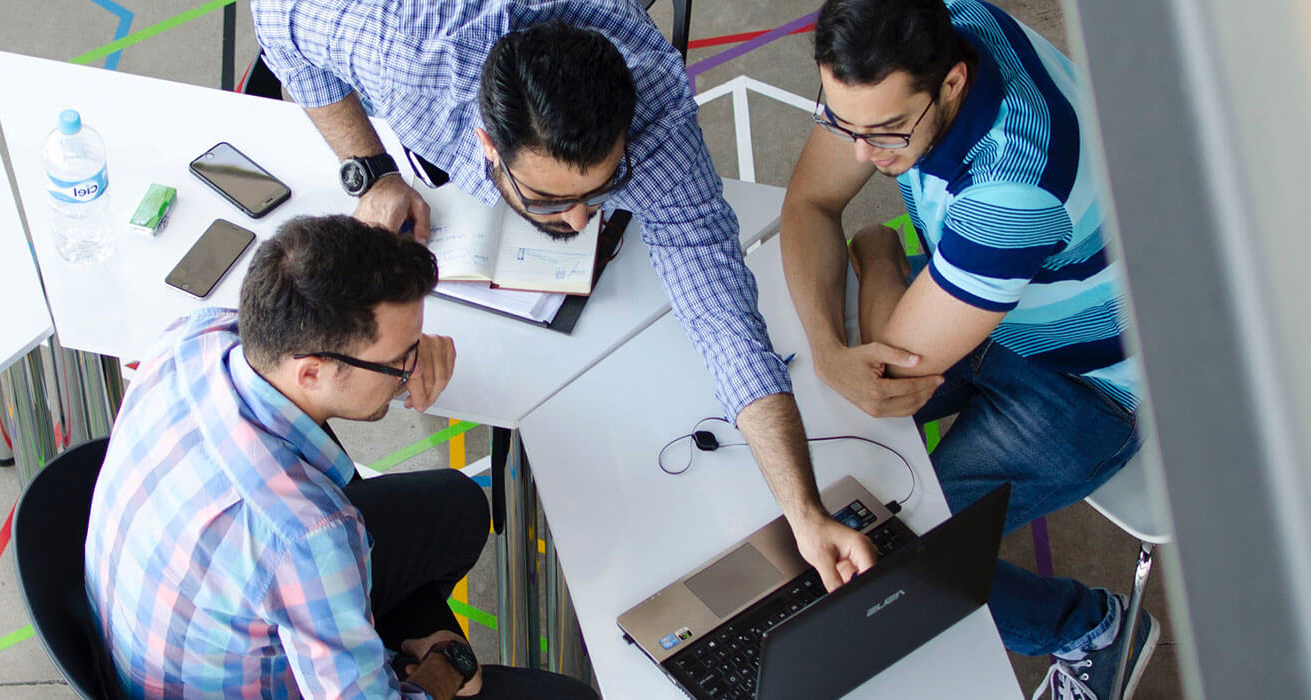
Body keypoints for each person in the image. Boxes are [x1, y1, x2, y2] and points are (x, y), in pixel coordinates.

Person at [254, 0, 879, 600]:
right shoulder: (402, 48)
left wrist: (804, 512)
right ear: (488, 145)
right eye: (549, 200)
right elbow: (275, 19)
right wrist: (371, 169)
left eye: (602, 188)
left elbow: (724, 317)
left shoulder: (656, 116)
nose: (581, 223)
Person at [779, 0, 1154, 697]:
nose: (862, 154)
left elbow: (887, 370)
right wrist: (831, 347)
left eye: (887, 132)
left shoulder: (1013, 188)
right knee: (809, 414)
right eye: (843, 124)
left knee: (900, 555)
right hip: (990, 299)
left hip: (1088, 384)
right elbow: (808, 204)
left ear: (951, 84)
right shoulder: (929, 26)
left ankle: (1088, 630)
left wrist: (879, 254)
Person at [84, 215, 600, 699]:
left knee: (458, 507)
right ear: (311, 372)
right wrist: (445, 668)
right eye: (399, 360)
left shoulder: (194, 337)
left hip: (158, 630)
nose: (413, 367)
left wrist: (400, 352)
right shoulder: (309, 535)